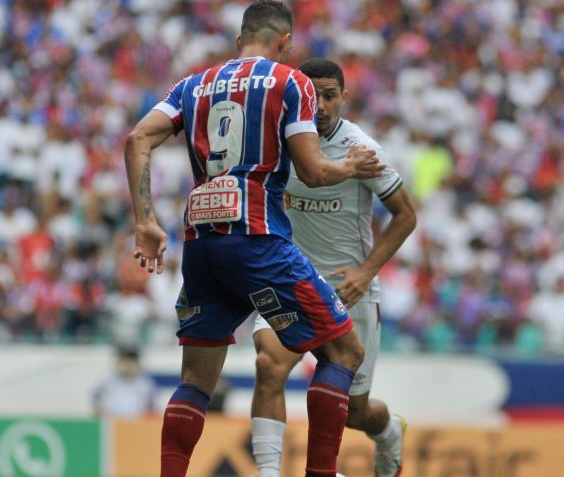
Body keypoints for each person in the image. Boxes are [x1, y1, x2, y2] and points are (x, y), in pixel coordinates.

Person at [123, 2, 385, 476]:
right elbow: (313, 170)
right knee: (346, 351)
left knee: (196, 379)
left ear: (239, 39)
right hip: (258, 238)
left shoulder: (192, 85)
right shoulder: (291, 82)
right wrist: (349, 166)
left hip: (200, 241)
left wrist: (145, 221)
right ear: (285, 42)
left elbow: (137, 139)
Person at [250, 58, 417, 477]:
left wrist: (366, 273)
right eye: (313, 95)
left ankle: (388, 432)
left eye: (329, 95)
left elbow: (405, 216)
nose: (321, 105)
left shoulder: (361, 149)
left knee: (354, 413)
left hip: (348, 289)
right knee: (269, 364)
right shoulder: (276, 142)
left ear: (344, 97)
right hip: (290, 279)